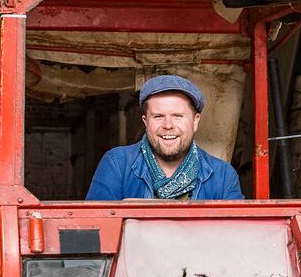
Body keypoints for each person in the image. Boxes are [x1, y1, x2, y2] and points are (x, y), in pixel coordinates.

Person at [86, 74, 244, 200]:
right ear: (146, 122)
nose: (168, 125)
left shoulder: (223, 175)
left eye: (177, 116)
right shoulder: (118, 164)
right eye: (158, 116)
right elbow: (95, 230)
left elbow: (234, 236)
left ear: (195, 121)